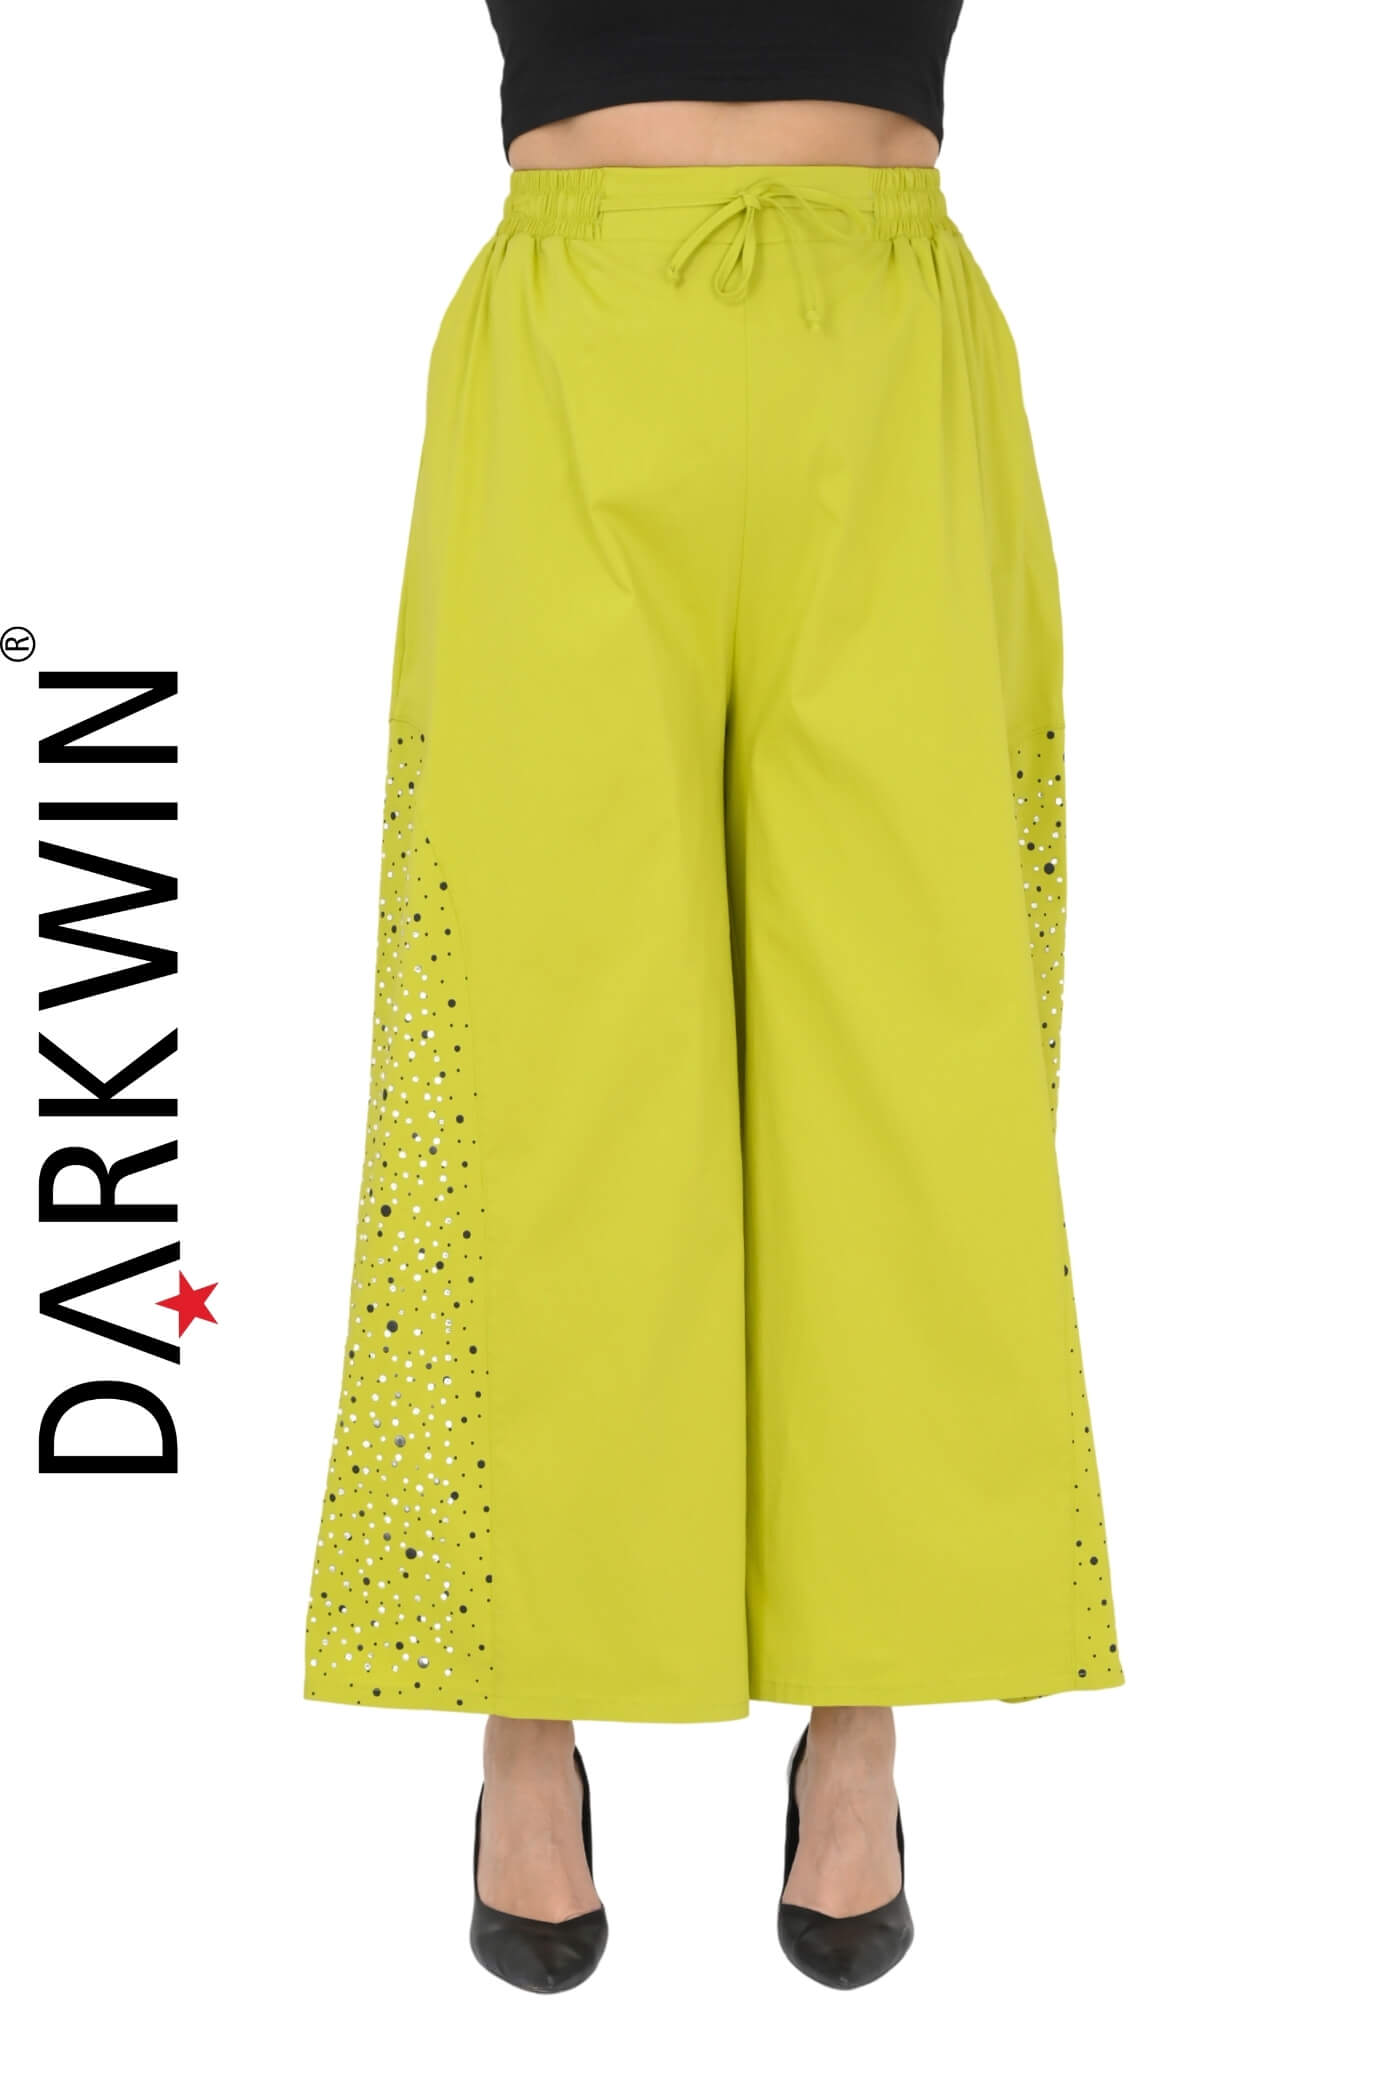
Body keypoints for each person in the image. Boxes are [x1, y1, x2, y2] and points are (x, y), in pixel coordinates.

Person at [303, 0, 1126, 1994]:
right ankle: (528, 1722)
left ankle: (862, 1721)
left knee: (907, 1058)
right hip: (576, 327)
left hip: (887, 328)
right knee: (547, 1048)